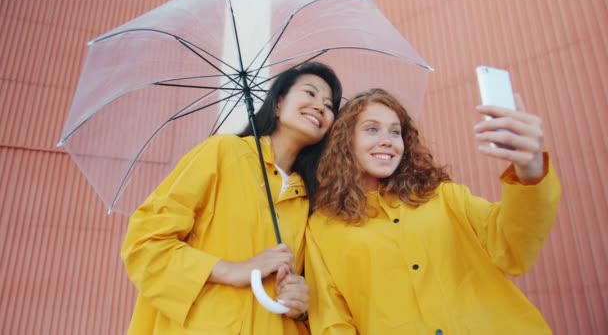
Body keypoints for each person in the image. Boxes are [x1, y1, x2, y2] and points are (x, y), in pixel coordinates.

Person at [305, 88, 561, 334]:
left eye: (396, 132)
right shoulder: (322, 228)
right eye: (372, 129)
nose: (387, 141)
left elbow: (510, 246)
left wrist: (530, 170)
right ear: (345, 141)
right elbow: (332, 321)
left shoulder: (443, 196)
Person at [120, 62, 342, 334]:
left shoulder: (311, 200)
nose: (320, 106)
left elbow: (320, 297)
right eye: (310, 93)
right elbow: (145, 242)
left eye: (329, 105)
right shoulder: (222, 152)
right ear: (278, 103)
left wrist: (301, 305)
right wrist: (233, 270)